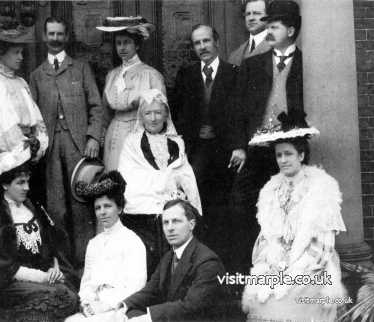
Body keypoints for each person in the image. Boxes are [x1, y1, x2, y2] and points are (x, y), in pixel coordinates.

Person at [242, 110, 346, 322]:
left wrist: (295, 268)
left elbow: (324, 243)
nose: (283, 160)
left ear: (301, 155)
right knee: (261, 299)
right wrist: (273, 262)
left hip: (313, 263)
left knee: (287, 302)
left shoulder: (321, 188)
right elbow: (266, 237)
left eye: (288, 154)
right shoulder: (271, 190)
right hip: (278, 262)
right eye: (279, 155)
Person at [230, 0, 303, 274]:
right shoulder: (253, 64)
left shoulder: (307, 63)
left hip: (290, 150)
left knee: (288, 209)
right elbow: (237, 110)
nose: (268, 31)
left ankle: (284, 271)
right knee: (242, 203)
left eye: (274, 26)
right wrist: (240, 146)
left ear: (291, 30)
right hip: (257, 148)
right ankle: (248, 270)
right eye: (267, 25)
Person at [29, 17, 105, 269]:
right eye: (51, 34)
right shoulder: (37, 75)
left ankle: (88, 263)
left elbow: (96, 106)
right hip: (50, 148)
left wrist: (94, 136)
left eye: (60, 34)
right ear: (44, 36)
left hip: (78, 146)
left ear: (67, 36)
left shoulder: (80, 68)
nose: (55, 39)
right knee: (56, 208)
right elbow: (31, 117)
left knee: (81, 204)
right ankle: (63, 266)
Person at [0, 148, 78, 322]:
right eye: (20, 182)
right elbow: (2, 267)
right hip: (11, 286)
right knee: (64, 298)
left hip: (42, 280)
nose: (27, 187)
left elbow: (51, 247)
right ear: (5, 184)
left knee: (70, 293)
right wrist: (43, 278)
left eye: (28, 182)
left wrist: (53, 270)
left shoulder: (35, 210)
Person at [173, 24, 241, 268]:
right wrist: (194, 132)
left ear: (217, 42)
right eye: (197, 43)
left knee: (224, 210)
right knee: (196, 207)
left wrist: (239, 146)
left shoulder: (234, 73)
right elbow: (178, 115)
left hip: (225, 154)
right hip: (197, 153)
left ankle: (226, 265)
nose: (202, 47)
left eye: (206, 41)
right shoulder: (186, 75)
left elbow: (241, 116)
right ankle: (200, 265)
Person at [118, 89, 202, 278]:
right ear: (141, 117)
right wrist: (165, 179)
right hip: (142, 206)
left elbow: (185, 174)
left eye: (158, 112)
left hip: (170, 201)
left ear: (166, 115)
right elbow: (129, 177)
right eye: (148, 113)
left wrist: (178, 179)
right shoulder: (132, 142)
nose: (153, 118)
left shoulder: (176, 142)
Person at [0, 15, 49, 217]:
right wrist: (26, 152)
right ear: (1, 54)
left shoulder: (21, 82)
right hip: (9, 157)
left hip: (29, 152)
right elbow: (5, 129)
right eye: (15, 52)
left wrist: (39, 146)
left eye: (21, 52)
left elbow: (37, 119)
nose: (20, 57)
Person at [115, 199, 226, 322]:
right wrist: (124, 306)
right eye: (165, 223)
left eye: (176, 221)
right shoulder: (167, 258)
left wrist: (146, 318)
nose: (170, 228)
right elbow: (150, 291)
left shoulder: (207, 262)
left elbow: (189, 307)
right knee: (130, 313)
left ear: (192, 224)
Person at [66, 171, 147, 322]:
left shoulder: (132, 241)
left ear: (120, 208)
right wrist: (85, 304)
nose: (102, 212)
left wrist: (105, 305)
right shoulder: (93, 244)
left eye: (107, 206)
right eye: (98, 208)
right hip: (92, 308)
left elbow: (137, 285)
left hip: (118, 308)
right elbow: (87, 283)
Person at [96, 16, 166, 171]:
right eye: (118, 43)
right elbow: (105, 114)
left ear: (137, 44)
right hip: (114, 136)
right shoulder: (112, 75)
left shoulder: (151, 75)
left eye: (127, 43)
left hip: (140, 134)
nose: (122, 48)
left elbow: (160, 114)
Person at [228, 0, 271, 66]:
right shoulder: (234, 56)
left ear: (268, 17)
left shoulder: (277, 48)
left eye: (256, 13)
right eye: (247, 14)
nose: (251, 18)